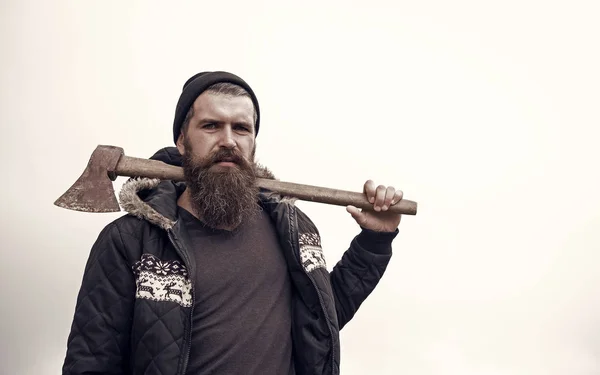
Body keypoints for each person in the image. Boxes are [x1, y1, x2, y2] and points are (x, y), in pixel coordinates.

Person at [62, 71, 403, 375]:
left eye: (241, 128)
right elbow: (92, 361)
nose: (228, 140)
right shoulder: (130, 241)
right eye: (211, 125)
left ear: (253, 142)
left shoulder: (294, 229)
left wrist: (375, 240)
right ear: (182, 141)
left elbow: (319, 322)